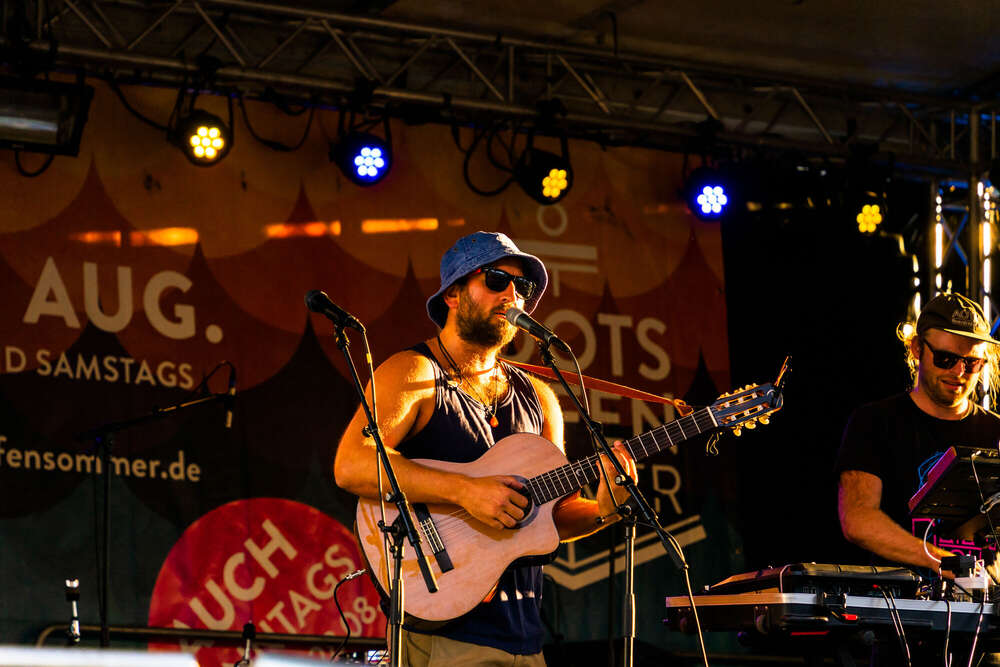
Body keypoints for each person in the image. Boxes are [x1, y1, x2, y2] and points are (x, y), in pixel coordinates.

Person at [334, 231, 637, 666]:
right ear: (453, 294)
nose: (513, 294)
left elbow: (555, 516)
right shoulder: (414, 372)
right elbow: (352, 464)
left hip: (525, 639)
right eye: (496, 280)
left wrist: (606, 509)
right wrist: (465, 491)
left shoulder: (539, 397)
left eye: (523, 287)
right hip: (443, 633)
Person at [836, 291, 1000, 573]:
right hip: (902, 597)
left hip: (985, 596)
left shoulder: (995, 430)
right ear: (917, 348)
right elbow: (858, 520)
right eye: (945, 358)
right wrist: (941, 561)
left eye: (971, 362)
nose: (959, 371)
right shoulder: (875, 422)